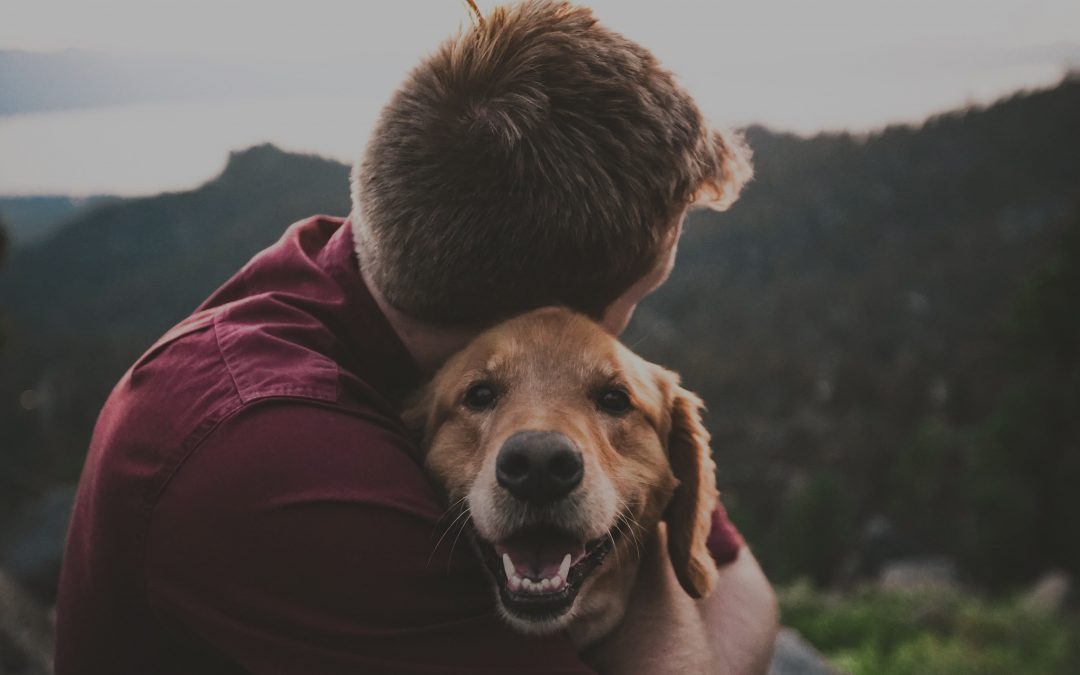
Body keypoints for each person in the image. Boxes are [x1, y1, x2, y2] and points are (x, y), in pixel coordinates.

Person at [54, 1, 777, 672]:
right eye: (638, 295)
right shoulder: (279, 464)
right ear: (544, 316)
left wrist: (640, 516)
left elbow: (742, 584)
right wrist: (644, 553)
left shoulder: (373, 274)